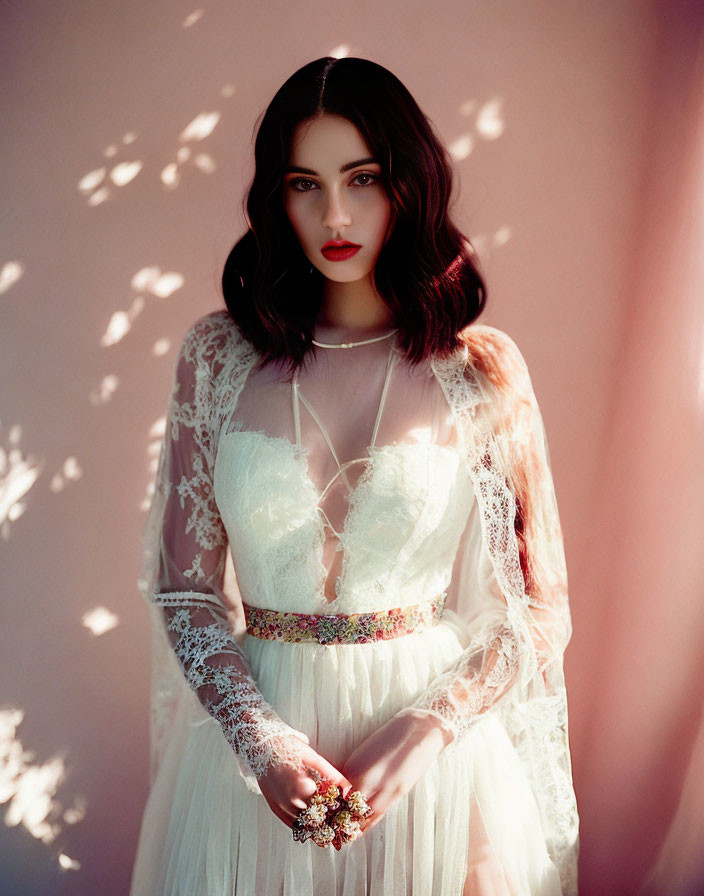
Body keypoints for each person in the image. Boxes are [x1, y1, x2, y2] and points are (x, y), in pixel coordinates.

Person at [129, 57, 579, 896]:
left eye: (362, 178)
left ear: (409, 183)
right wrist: (262, 744)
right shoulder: (218, 357)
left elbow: (532, 612)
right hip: (251, 765)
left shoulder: (479, 370)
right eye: (305, 184)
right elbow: (185, 591)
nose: (334, 214)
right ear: (276, 198)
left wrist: (424, 731)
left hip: (432, 770)